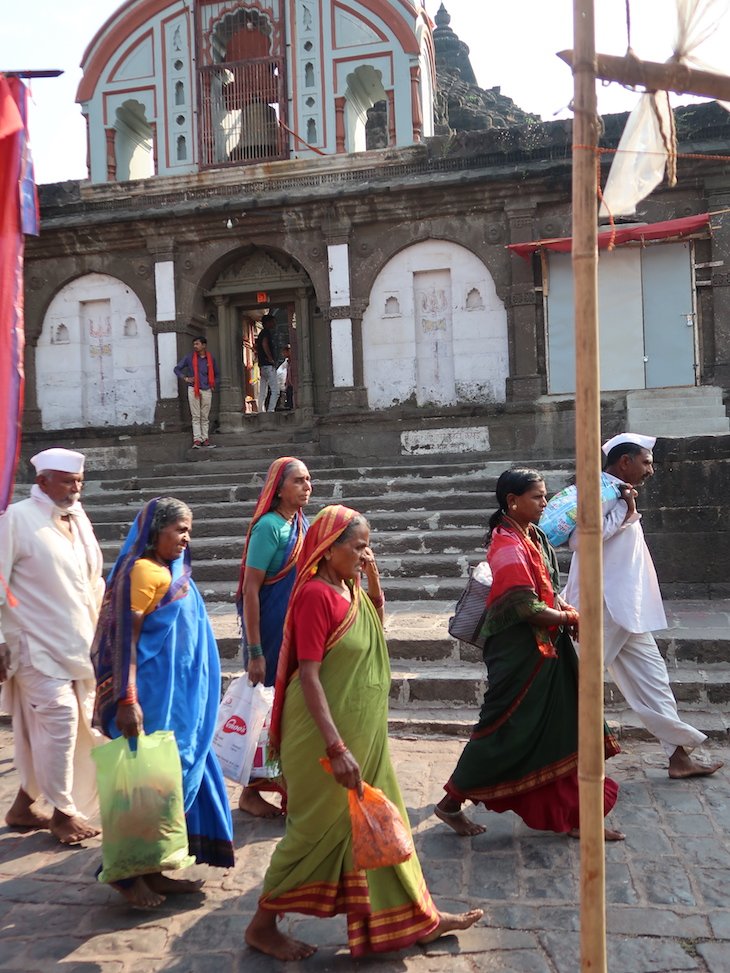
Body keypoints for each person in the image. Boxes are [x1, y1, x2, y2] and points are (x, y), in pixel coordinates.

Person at [244, 504, 483, 961]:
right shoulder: (315, 595)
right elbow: (309, 676)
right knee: (314, 832)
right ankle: (261, 926)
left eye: (367, 545)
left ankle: (420, 919)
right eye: (357, 547)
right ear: (329, 549)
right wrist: (335, 747)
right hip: (322, 739)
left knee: (384, 827)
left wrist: (371, 576)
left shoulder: (348, 586)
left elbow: (374, 615)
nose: (364, 552)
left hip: (362, 734)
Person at [435, 468, 623, 840]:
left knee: (564, 727)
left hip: (548, 649)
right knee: (505, 731)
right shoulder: (506, 545)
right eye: (537, 497)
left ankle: (575, 814)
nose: (544, 503)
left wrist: (566, 608)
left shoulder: (533, 536)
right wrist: (570, 615)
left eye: (544, 495)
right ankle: (450, 803)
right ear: (512, 501)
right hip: (519, 656)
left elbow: (548, 590)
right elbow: (525, 606)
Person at [93, 496, 234, 909]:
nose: (185, 539)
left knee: (169, 781)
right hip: (154, 697)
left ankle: (153, 869)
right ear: (155, 531)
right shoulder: (141, 572)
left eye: (189, 531)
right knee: (146, 786)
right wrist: (127, 697)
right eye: (179, 530)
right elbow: (125, 640)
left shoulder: (172, 570)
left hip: (183, 699)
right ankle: (124, 874)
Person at [564, 433, 724, 780]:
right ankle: (545, 764)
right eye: (646, 462)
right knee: (574, 683)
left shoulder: (616, 492)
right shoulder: (602, 491)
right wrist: (626, 512)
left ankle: (678, 757)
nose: (651, 469)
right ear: (626, 462)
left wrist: (626, 509)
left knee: (653, 681)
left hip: (625, 608)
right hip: (600, 606)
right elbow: (580, 540)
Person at [0, 447, 104, 845]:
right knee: (59, 722)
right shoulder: (16, 519)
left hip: (78, 641)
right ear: (42, 482)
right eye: (66, 481)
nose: (75, 488)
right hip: (32, 645)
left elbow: (92, 578)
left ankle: (24, 805)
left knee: (63, 728)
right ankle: (64, 813)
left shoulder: (78, 518)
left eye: (78, 481)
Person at [234, 456, 312, 817]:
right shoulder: (269, 528)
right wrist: (254, 651)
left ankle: (291, 788)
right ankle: (251, 792)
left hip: (297, 631)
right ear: (278, 489)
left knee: (292, 713)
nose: (306, 486)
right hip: (269, 632)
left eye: (309, 480)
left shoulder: (301, 523)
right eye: (298, 481)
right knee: (267, 716)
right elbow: (250, 590)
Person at [174, 336, 218, 448]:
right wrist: (185, 378)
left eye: (197, 344)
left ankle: (205, 439)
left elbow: (217, 374)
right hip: (193, 388)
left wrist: (212, 384)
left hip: (206, 389)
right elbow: (177, 369)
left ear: (204, 345)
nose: (195, 346)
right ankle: (197, 440)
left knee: (205, 416)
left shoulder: (210, 358)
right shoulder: (189, 358)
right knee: (195, 415)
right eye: (194, 344)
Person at [256, 313, 279, 413]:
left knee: (262, 391)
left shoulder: (261, 333)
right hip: (268, 365)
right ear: (268, 323)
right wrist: (270, 358)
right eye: (273, 321)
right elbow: (265, 344)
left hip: (262, 365)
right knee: (275, 391)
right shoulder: (266, 333)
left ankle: (260, 410)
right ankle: (270, 410)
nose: (274, 323)